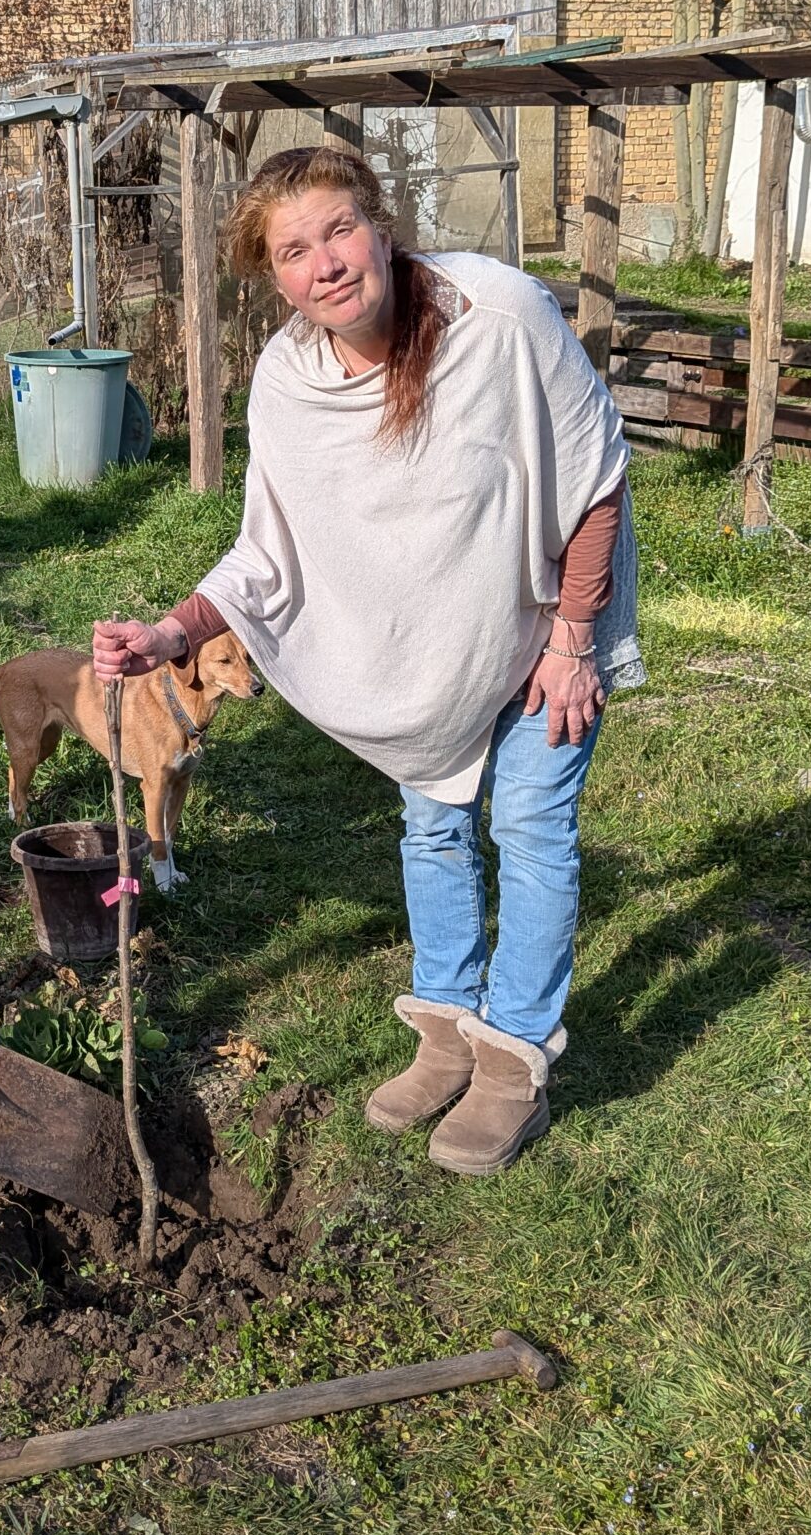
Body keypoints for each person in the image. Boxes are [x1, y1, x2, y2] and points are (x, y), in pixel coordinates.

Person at [94, 146, 639, 1176]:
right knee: (431, 824)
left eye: (337, 230)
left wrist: (572, 640)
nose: (325, 265)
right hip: (431, 640)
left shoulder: (499, 317)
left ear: (380, 224)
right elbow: (267, 550)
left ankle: (512, 1063)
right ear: (274, 277)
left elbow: (595, 475)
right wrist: (172, 633)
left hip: (543, 611)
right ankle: (445, 1035)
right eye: (293, 252)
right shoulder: (289, 380)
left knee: (527, 821)